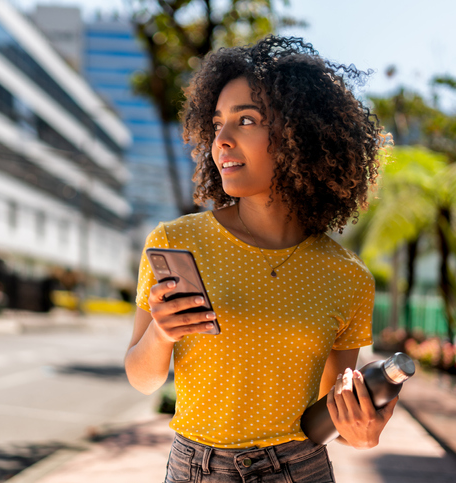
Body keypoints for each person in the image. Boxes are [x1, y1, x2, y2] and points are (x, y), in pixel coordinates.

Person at [125, 36, 393, 482]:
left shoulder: (347, 277)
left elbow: (332, 413)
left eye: (245, 120)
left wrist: (362, 433)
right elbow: (142, 378)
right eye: (216, 124)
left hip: (297, 469)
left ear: (298, 134)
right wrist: (160, 334)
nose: (222, 141)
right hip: (195, 469)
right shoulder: (176, 241)